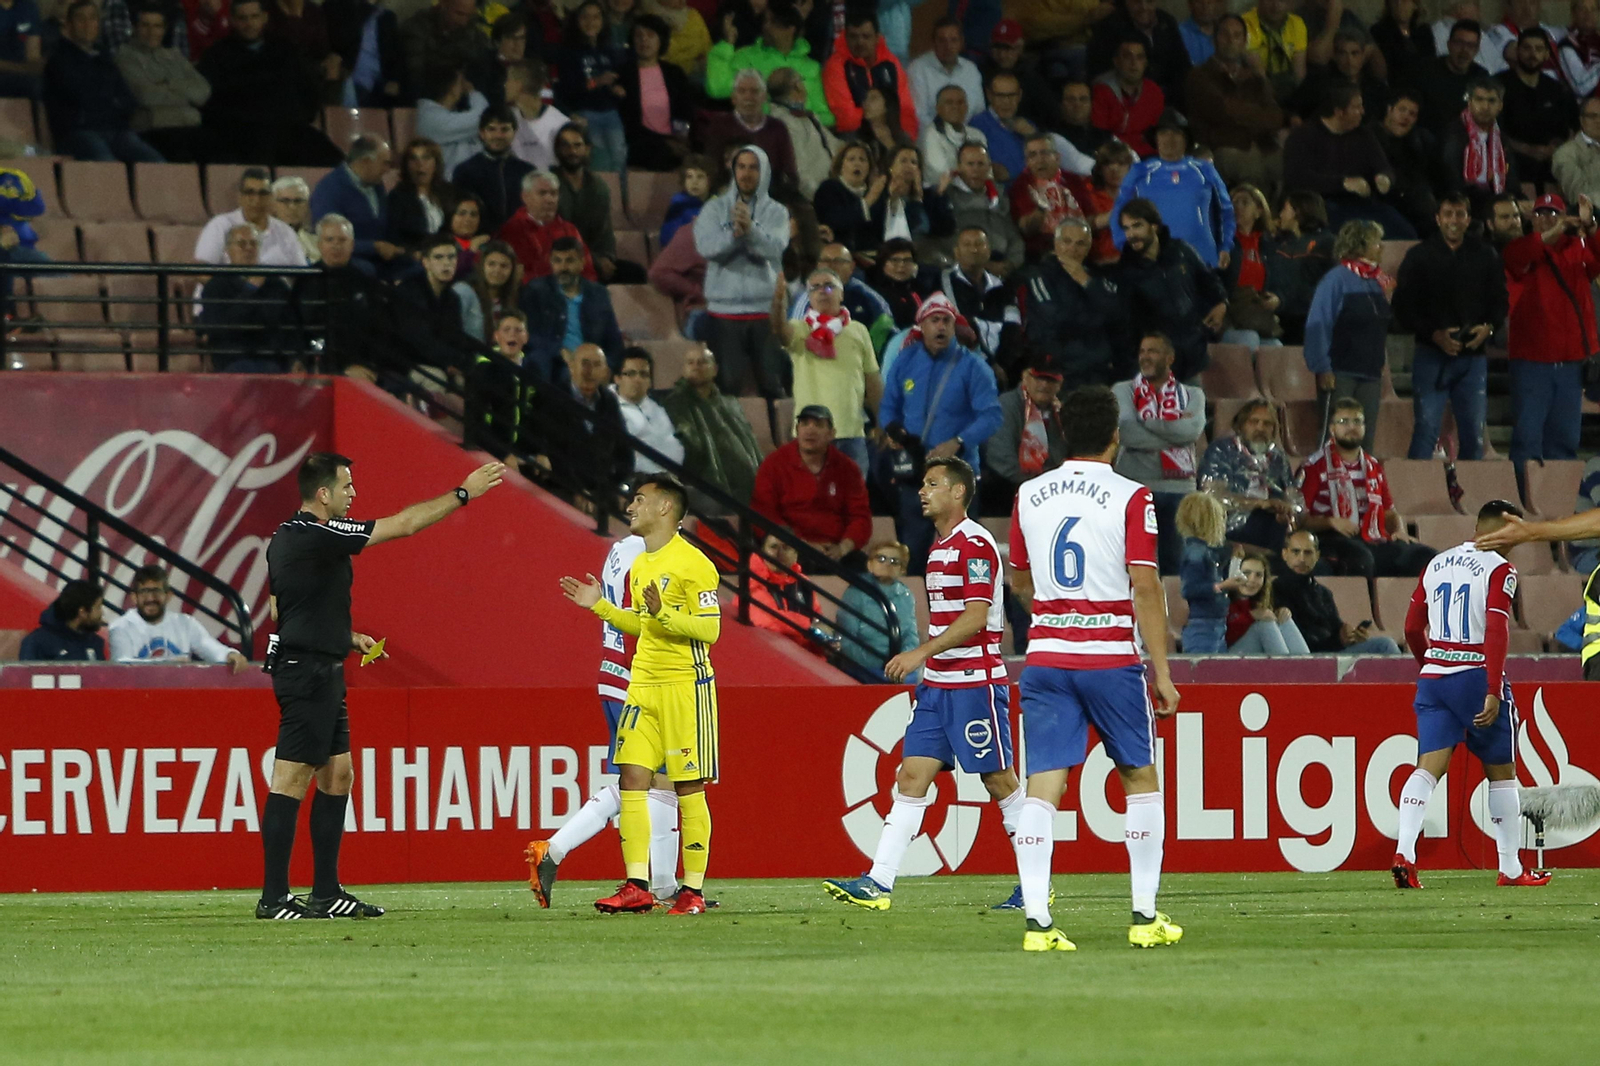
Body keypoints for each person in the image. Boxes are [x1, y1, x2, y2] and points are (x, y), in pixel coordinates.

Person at [257, 451, 504, 919]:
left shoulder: (293, 538)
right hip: (305, 671)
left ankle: (326, 893)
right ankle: (273, 899)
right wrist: (463, 492)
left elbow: (280, 608)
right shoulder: (314, 533)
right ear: (323, 493)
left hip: (321, 664)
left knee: (338, 774)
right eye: (346, 487)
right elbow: (404, 525)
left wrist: (345, 638)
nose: (353, 495)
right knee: (291, 779)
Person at [1007, 383, 1182, 952]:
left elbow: (1019, 577)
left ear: (1062, 433)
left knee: (1043, 788)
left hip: (1047, 658)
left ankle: (1038, 924)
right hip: (1109, 658)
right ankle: (1144, 915)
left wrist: (1056, 614)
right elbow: (1146, 585)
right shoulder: (1133, 497)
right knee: (1138, 776)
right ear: (1117, 434)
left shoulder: (1028, 494)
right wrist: (1161, 670)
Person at [822, 456, 1023, 911]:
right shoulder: (939, 547)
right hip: (938, 685)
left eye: (933, 484)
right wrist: (929, 665)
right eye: (923, 483)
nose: (922, 491)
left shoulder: (975, 544)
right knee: (911, 775)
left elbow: (974, 619)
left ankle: (1035, 878)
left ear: (957, 492)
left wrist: (919, 653)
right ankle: (879, 882)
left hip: (975, 682)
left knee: (998, 780)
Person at [558, 473, 722, 915]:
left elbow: (711, 629)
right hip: (643, 685)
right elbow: (640, 623)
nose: (630, 507)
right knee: (632, 780)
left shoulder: (695, 564)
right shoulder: (641, 565)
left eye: (639, 500)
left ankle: (693, 891)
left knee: (688, 787)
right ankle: (637, 884)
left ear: (665, 508)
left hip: (685, 687)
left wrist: (664, 613)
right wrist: (600, 606)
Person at [1394, 500, 1551, 889]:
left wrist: (1429, 664)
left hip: (1434, 676)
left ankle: (1405, 853)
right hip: (1476, 675)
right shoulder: (1501, 570)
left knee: (1427, 768)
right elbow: (1496, 629)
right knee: (1501, 773)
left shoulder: (1436, 563)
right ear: (1501, 529)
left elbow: (1412, 627)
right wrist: (1493, 689)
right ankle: (1511, 867)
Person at [525, 532, 684, 908]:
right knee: (655, 778)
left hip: (614, 675)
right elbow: (641, 621)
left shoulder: (619, 550)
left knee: (646, 779)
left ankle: (558, 850)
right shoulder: (646, 553)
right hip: (636, 679)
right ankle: (660, 884)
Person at [876, 294, 1003, 572]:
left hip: (958, 472)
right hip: (917, 473)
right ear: (922, 326)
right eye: (934, 321)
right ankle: (917, 608)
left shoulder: (973, 367)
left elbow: (993, 415)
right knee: (914, 548)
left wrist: (959, 441)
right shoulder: (905, 361)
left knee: (964, 549)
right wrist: (895, 431)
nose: (941, 327)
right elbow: (888, 407)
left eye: (946, 320)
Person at [1392, 193, 1507, 462]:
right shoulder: (1419, 256)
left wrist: (1488, 328)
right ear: (1437, 219)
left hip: (1473, 359)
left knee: (1473, 437)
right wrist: (1434, 334)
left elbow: (1500, 301)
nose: (1454, 221)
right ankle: (1416, 497)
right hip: (1430, 355)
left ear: (1468, 219)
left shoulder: (1485, 255)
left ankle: (1470, 500)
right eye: (1448, 214)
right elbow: (1403, 307)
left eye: (1459, 214)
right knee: (1426, 431)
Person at [1502, 192, 1600, 485]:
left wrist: (1591, 226)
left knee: (1565, 441)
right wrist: (1555, 231)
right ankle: (1523, 501)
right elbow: (1519, 257)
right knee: (1527, 440)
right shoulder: (1518, 248)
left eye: (1553, 214)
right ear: (1531, 219)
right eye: (1540, 214)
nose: (1546, 219)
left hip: (1569, 365)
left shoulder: (1577, 248)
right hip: (1532, 363)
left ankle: (1560, 504)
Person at [1298, 397, 1437, 579]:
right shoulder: (1314, 466)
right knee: (1361, 559)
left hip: (1371, 538)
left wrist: (1398, 531)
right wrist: (1331, 522)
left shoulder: (1373, 466)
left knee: (1427, 558)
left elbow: (1389, 512)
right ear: (1332, 428)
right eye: (1344, 422)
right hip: (1329, 539)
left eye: (1357, 421)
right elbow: (1300, 518)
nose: (1351, 427)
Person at [695, 144, 790, 397]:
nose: (747, 173)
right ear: (733, 170)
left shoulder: (777, 212)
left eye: (754, 167)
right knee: (727, 389)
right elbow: (706, 248)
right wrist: (735, 235)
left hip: (765, 314)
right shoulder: (713, 210)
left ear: (765, 171)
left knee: (774, 387)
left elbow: (775, 248)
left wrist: (751, 230)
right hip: (724, 315)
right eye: (742, 167)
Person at [199, 0, 340, 167]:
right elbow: (211, 102)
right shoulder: (217, 55)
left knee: (331, 159)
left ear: (264, 18)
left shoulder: (286, 50)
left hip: (288, 129)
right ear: (233, 20)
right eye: (242, 18)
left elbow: (308, 90)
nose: (249, 24)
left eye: (254, 17)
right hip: (239, 134)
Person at [1112, 331, 1205, 575]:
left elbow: (1191, 433)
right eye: (1142, 351)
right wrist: (1174, 432)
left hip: (1180, 490)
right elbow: (1127, 433)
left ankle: (1171, 612)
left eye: (1152, 351)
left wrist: (1149, 423)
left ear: (1169, 357)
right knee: (1134, 564)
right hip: (1135, 486)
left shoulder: (1193, 395)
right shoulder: (1122, 391)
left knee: (1176, 565)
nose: (1145, 357)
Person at [770, 269, 880, 471]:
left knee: (853, 499)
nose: (822, 291)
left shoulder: (858, 330)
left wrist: (881, 422)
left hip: (851, 432)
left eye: (829, 286)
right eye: (815, 287)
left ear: (841, 294)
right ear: (809, 297)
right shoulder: (801, 329)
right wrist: (778, 303)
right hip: (811, 435)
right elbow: (780, 332)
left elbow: (872, 380)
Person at [1115, 199, 1228, 382]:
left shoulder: (1181, 251)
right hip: (1158, 365)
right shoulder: (1126, 271)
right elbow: (1127, 326)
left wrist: (1221, 303)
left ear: (1154, 226)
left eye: (1137, 226)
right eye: (1126, 228)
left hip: (1192, 355)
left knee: (1193, 409)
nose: (1131, 234)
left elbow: (1209, 281)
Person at [1283, 83, 1414, 238]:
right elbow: (1297, 178)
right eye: (1356, 107)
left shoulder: (1363, 135)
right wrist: (1343, 184)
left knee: (1404, 232)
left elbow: (1383, 167)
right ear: (1339, 112)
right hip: (1322, 207)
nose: (1362, 112)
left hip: (1361, 204)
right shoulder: (1303, 136)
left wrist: (1384, 178)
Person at [1305, 219, 1393, 446]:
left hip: (1370, 373)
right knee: (1333, 439)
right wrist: (1322, 366)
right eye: (1377, 242)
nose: (1382, 247)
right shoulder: (1336, 280)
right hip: (1340, 372)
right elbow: (1318, 324)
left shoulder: (1378, 282)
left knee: (1364, 442)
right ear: (1360, 246)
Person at [43, 0, 164, 163]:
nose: (87, 24)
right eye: (81, 19)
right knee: (108, 166)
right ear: (69, 25)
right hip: (78, 133)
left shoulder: (104, 58)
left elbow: (127, 98)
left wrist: (111, 104)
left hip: (115, 131)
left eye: (93, 18)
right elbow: (81, 97)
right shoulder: (59, 60)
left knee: (155, 162)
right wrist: (111, 102)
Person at [1111, 109, 1232, 269]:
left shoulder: (1204, 170)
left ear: (1186, 139)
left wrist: (1225, 247)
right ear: (1156, 138)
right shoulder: (1140, 171)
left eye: (1176, 133)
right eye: (1163, 133)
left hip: (1203, 259)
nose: (1169, 138)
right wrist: (1125, 246)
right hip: (1154, 261)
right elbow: (1120, 210)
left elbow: (1226, 210)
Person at [750, 403, 871, 564]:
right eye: (804, 424)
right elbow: (764, 512)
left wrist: (843, 547)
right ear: (797, 430)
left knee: (867, 572)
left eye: (818, 425)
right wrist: (801, 544)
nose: (810, 430)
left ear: (831, 434)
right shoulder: (774, 463)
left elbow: (860, 517)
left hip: (835, 550)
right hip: (790, 547)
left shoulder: (847, 468)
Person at [1022, 217, 1129, 388]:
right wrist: (1098, 319)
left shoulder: (1096, 276)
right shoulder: (1039, 275)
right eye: (1067, 241)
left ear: (1088, 247)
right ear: (1056, 244)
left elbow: (1117, 313)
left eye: (1080, 243)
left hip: (1098, 369)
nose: (1073, 249)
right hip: (1060, 370)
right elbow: (1056, 320)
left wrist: (1086, 281)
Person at [1185, 12, 1285, 190]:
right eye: (1225, 34)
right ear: (1215, 39)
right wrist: (1257, 116)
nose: (1231, 40)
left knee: (1291, 161)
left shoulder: (1254, 76)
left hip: (1260, 145)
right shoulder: (1199, 76)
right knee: (1249, 166)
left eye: (1237, 35)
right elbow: (1224, 110)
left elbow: (1276, 117)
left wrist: (1260, 78)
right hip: (1220, 147)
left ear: (1245, 40)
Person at [659, 343, 763, 506]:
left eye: (702, 362)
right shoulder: (674, 404)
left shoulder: (730, 404)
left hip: (748, 482)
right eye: (690, 363)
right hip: (711, 487)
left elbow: (750, 442)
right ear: (683, 369)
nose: (696, 367)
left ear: (715, 369)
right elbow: (689, 446)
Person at [1273, 529, 1401, 653]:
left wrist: (1353, 637)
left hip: (1332, 654)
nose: (1301, 558)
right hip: (1308, 658)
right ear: (1285, 554)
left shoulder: (1323, 592)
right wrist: (1338, 641)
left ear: (1317, 556)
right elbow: (1297, 640)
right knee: (1385, 646)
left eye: (1308, 553)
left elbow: (1336, 628)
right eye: (1296, 552)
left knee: (1386, 645)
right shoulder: (1276, 589)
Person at [106, 563, 250, 670]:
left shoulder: (185, 623)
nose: (150, 598)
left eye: (156, 591)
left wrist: (230, 655)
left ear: (168, 596)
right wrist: (170, 664)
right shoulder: (120, 627)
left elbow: (210, 647)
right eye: (144, 592)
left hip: (180, 696)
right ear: (134, 597)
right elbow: (121, 665)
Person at [1198, 398, 1297, 551]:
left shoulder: (1278, 457)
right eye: (1254, 422)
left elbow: (1294, 499)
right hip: (1230, 527)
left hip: (1272, 525)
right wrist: (1259, 503)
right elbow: (1212, 498)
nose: (1260, 428)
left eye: (1267, 424)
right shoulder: (1221, 451)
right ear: (1240, 426)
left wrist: (1287, 511)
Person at [707, 1, 828, 125]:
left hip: (805, 133)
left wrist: (805, 123)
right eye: (765, 21)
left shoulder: (812, 67)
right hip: (764, 132)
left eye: (773, 23)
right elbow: (718, 88)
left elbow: (825, 114)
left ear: (790, 29)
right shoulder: (747, 56)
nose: (766, 27)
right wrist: (727, 44)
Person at [116, 3, 209, 162]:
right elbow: (146, 96)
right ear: (135, 27)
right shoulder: (124, 57)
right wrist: (184, 92)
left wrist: (167, 84)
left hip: (188, 127)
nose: (152, 32)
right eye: (146, 25)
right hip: (152, 129)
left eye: (157, 26)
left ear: (164, 30)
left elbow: (203, 92)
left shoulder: (174, 55)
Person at [200, 224, 299, 372]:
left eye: (253, 243)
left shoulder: (276, 283)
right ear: (227, 250)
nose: (248, 248)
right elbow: (220, 327)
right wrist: (249, 290)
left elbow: (289, 322)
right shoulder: (216, 286)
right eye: (241, 244)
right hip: (234, 359)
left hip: (272, 358)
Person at [520, 236, 622, 375]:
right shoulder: (536, 291)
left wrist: (607, 367)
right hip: (553, 363)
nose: (563, 267)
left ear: (582, 262)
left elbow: (614, 341)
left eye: (569, 261)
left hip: (591, 364)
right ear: (551, 262)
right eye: (558, 261)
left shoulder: (599, 294)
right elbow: (527, 334)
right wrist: (558, 350)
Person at [701, 67, 799, 203]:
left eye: (754, 91)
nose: (748, 97)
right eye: (742, 91)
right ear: (734, 98)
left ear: (764, 97)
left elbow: (790, 173)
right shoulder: (719, 126)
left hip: (771, 196)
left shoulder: (778, 128)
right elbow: (711, 169)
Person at [309, 135, 401, 276]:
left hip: (382, 258)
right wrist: (374, 247)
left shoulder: (377, 185)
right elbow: (327, 238)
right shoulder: (329, 189)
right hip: (351, 260)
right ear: (365, 162)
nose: (388, 169)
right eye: (384, 163)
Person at [1498, 28, 1577, 192]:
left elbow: (1572, 127)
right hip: (1514, 156)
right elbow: (1494, 130)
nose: (1532, 54)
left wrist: (1557, 147)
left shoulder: (1556, 89)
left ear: (1547, 54)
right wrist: (1527, 149)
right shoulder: (1500, 85)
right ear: (1517, 51)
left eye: (1538, 49)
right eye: (1527, 48)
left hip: (1552, 157)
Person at [554, 123, 634, 283]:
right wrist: (595, 261)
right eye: (566, 146)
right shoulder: (550, 183)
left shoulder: (598, 186)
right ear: (558, 150)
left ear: (587, 148)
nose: (572, 151)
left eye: (577, 145)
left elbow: (604, 231)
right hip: (559, 260)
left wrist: (606, 258)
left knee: (635, 273)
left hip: (593, 258)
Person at [983, 349, 1065, 506]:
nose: (1044, 385)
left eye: (1051, 380)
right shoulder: (1005, 405)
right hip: (1005, 492)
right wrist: (1042, 485)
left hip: (1050, 493)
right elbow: (1000, 460)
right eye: (1038, 378)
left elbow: (1062, 457)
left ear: (1060, 384)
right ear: (1025, 376)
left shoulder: (1060, 413)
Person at [555, 1, 626, 173]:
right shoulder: (570, 52)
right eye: (585, 17)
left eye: (596, 17)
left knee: (620, 158)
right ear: (576, 21)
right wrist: (597, 82)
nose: (591, 22)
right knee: (598, 161)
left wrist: (615, 89)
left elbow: (615, 79)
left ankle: (622, 199)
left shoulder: (608, 51)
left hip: (610, 112)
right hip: (585, 113)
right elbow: (568, 88)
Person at [820, 8, 917, 135]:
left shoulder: (890, 63)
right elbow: (846, 118)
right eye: (853, 36)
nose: (860, 42)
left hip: (891, 133)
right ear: (845, 37)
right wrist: (881, 119)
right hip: (854, 136)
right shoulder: (836, 65)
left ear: (877, 38)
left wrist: (905, 140)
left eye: (866, 36)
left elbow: (906, 110)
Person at [617, 14, 694, 173]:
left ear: (661, 40)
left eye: (650, 35)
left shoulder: (674, 73)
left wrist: (680, 137)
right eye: (639, 35)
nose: (644, 40)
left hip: (674, 141)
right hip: (640, 143)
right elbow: (628, 121)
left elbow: (684, 109)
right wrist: (664, 142)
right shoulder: (624, 74)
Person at [836, 538, 920, 679]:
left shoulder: (906, 595)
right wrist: (880, 663)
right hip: (862, 665)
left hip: (895, 664)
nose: (887, 564)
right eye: (881, 559)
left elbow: (911, 636)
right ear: (870, 564)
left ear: (902, 570)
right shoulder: (856, 592)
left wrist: (902, 661)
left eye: (894, 561)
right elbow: (847, 640)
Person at [194, 168, 307, 266]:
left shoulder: (285, 232)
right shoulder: (220, 225)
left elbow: (301, 274)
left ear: (271, 197)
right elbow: (202, 271)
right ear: (240, 196)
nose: (256, 200)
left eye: (262, 193)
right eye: (250, 192)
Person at [1088, 0, 1191, 105]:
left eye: (1149, 1)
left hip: (1170, 95)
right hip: (1128, 98)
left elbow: (1182, 63)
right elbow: (1101, 71)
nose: (1144, 7)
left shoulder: (1167, 21)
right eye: (1137, 2)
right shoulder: (1109, 27)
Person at [451, 107, 536, 234]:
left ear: (514, 132)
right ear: (482, 133)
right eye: (491, 129)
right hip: (480, 243)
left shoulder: (528, 171)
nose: (498, 135)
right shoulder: (465, 171)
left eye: (504, 129)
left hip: (522, 241)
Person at [943, 143, 1024, 275]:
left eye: (980, 164)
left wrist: (1009, 265)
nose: (975, 169)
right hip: (965, 269)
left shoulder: (999, 195)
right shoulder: (948, 197)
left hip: (1004, 266)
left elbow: (1013, 237)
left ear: (989, 167)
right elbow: (946, 241)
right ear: (959, 167)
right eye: (970, 164)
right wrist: (980, 266)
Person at [498, 170, 595, 281]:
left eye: (553, 193)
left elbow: (588, 271)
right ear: (525, 196)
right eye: (542, 193)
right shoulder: (511, 230)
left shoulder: (570, 230)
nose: (549, 200)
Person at [1009, 132, 1092, 260]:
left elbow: (1089, 218)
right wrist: (1041, 209)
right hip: (1044, 254)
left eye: (1044, 153)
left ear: (1057, 157)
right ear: (1027, 162)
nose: (1039, 160)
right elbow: (1026, 229)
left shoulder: (1073, 181)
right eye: (1033, 155)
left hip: (1080, 249)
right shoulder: (1021, 186)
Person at [1269, 189, 1336, 343]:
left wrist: (1286, 300)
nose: (1280, 215)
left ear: (1298, 212)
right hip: (1279, 315)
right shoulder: (1279, 243)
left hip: (1309, 318)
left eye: (1285, 209)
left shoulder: (1327, 243)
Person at [768, 64, 841, 200]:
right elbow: (799, 173)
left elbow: (834, 145)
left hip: (833, 189)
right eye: (801, 81)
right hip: (817, 199)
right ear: (797, 87)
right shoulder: (785, 124)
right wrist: (823, 200)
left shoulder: (805, 116)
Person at [1175, 491, 1236, 652]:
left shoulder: (1203, 551)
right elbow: (1189, 589)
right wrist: (1221, 586)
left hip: (1214, 624)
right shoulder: (1197, 553)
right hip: (1203, 625)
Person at [1374, 88, 1441, 236]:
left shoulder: (1418, 141)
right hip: (1382, 204)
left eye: (1412, 114)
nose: (1406, 117)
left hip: (1416, 208)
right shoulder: (1371, 136)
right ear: (1389, 110)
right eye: (1402, 110)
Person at [1414, 18, 1491, 138]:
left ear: (1476, 50)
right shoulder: (1426, 71)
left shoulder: (1481, 77)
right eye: (1459, 43)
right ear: (1449, 44)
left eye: (1470, 46)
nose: (1464, 51)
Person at [1225, 549, 1311, 654]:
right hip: (1225, 659)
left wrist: (1281, 613)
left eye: (1258, 575)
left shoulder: (1256, 603)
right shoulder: (1222, 600)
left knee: (1284, 620)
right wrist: (1250, 616)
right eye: (1246, 573)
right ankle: (1286, 668)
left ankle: (1305, 666)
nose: (1252, 579)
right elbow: (1224, 637)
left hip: (1252, 656)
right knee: (1264, 624)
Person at [1090, 37, 1164, 158]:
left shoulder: (1154, 91)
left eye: (1140, 57)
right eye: (1127, 56)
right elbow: (1101, 136)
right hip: (1116, 158)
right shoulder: (1102, 91)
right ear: (1116, 61)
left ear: (1146, 62)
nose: (1134, 63)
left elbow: (1156, 134)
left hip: (1150, 157)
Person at [614, 347, 685, 473]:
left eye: (644, 374)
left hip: (667, 478)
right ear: (617, 378)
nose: (638, 380)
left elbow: (675, 448)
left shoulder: (657, 408)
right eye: (631, 374)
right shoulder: (609, 408)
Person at [399, 0, 491, 97]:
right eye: (459, 14)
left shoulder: (469, 27)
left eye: (469, 16)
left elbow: (483, 57)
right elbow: (416, 74)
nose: (464, 22)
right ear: (443, 4)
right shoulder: (417, 28)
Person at [386, 139, 456, 260]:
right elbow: (394, 238)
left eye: (426, 158)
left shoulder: (449, 192)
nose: (420, 164)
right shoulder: (397, 197)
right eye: (413, 159)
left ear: (436, 163)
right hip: (415, 258)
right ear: (406, 165)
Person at [907, 17, 981, 129]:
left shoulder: (971, 70)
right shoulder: (918, 69)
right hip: (932, 138)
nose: (948, 46)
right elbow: (919, 116)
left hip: (969, 136)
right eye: (942, 40)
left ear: (961, 42)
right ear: (933, 42)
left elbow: (979, 112)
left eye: (954, 40)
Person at [415, 65, 489, 177]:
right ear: (452, 88)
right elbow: (484, 118)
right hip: (447, 188)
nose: (463, 87)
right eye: (461, 82)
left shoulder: (451, 115)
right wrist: (472, 92)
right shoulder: (430, 118)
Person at [18, 580, 106, 661]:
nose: (101, 613)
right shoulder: (37, 642)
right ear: (82, 612)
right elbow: (26, 676)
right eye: (98, 607)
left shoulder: (95, 643)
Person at [503, 60, 567, 172]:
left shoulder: (559, 124)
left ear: (519, 84)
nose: (505, 85)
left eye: (508, 80)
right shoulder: (508, 119)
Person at [918, 84, 985, 189]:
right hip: (943, 194)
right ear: (938, 108)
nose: (955, 107)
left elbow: (987, 171)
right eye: (949, 103)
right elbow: (940, 173)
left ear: (967, 107)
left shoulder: (977, 135)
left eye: (960, 102)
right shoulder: (930, 135)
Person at [1242, 0, 1308, 105]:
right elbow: (1260, 75)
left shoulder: (1296, 23)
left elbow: (1299, 73)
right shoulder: (1245, 23)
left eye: (1282, 1)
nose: (1276, 5)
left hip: (1288, 86)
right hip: (1260, 89)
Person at [454, 239, 520, 343]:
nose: (497, 270)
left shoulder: (514, 298)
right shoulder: (463, 292)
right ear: (481, 266)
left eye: (504, 266)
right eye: (491, 264)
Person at [1372, 0, 1436, 84]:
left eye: (1404, 1)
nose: (1399, 4)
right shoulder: (1379, 32)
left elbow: (1431, 62)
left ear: (1415, 5)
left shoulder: (1423, 31)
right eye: (1394, 1)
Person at [1553, 94, 1600, 206]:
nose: (1599, 121)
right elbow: (1578, 195)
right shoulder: (1565, 153)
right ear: (1582, 120)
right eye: (1592, 116)